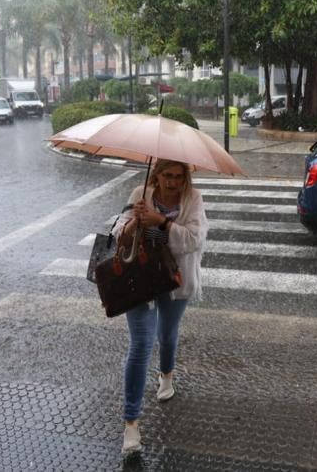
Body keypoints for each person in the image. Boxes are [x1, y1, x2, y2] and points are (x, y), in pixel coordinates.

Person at [110, 159, 209, 455]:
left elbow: (193, 240)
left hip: (176, 281)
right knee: (141, 344)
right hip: (139, 281)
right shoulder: (139, 194)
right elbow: (117, 233)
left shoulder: (193, 199)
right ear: (157, 175)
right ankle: (131, 423)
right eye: (168, 176)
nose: (174, 182)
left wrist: (161, 222)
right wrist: (133, 224)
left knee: (166, 335)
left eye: (180, 177)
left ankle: (166, 375)